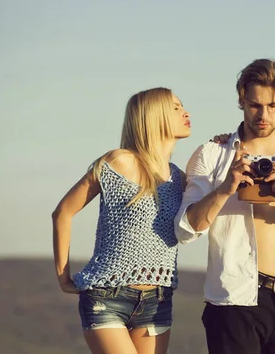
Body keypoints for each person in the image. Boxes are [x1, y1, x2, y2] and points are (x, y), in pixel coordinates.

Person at [175, 59, 275, 354]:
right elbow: (184, 230)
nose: (264, 115)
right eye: (255, 105)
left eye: (273, 106)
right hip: (233, 300)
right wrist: (225, 188)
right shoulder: (212, 154)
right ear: (242, 99)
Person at [51, 87, 191, 354]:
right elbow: (63, 213)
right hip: (107, 297)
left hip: (157, 301)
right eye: (174, 107)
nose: (186, 112)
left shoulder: (180, 179)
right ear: (153, 115)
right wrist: (62, 276)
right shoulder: (119, 161)